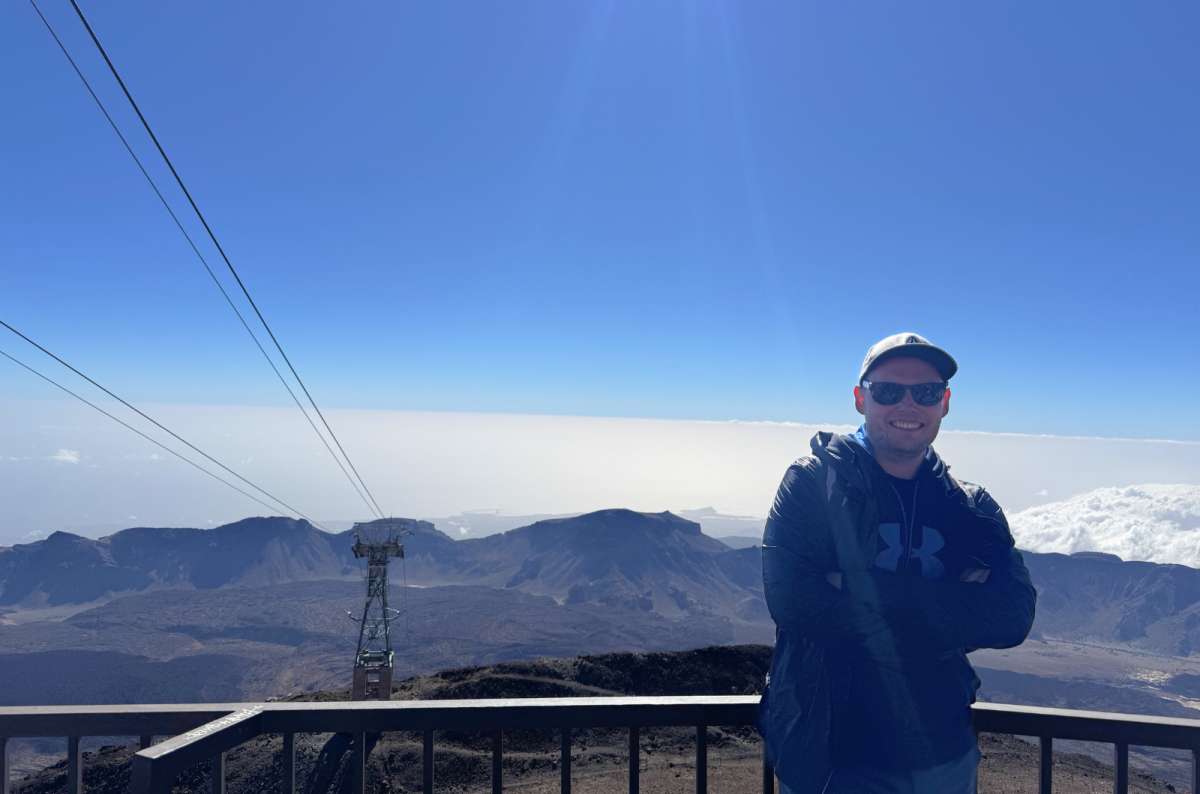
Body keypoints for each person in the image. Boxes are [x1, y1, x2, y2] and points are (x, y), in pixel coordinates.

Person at [758, 332, 1036, 794]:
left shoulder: (969, 505)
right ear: (859, 399)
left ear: (944, 402)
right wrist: (953, 603)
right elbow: (794, 603)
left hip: (941, 757)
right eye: (888, 391)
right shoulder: (813, 483)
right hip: (832, 757)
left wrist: (852, 586)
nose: (908, 405)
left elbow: (1012, 616)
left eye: (925, 392)